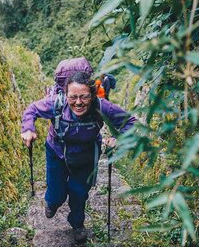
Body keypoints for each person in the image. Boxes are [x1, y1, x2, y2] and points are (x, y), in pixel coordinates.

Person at [20, 63, 135, 243]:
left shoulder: (102, 107)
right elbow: (32, 110)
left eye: (84, 97)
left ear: (93, 95)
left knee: (79, 192)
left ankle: (77, 224)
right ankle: (52, 202)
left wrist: (118, 137)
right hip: (57, 153)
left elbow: (130, 121)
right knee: (56, 194)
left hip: (86, 156)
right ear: (65, 94)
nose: (78, 102)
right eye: (73, 97)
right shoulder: (56, 103)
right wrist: (28, 128)